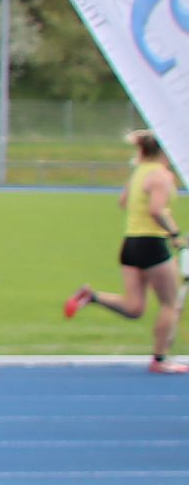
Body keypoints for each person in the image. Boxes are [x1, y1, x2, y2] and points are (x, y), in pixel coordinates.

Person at [65, 131, 185, 372]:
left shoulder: (139, 173)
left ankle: (92, 296)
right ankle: (160, 360)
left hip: (130, 244)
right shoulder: (161, 175)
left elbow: (124, 201)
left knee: (134, 307)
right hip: (152, 244)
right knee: (170, 304)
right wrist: (174, 234)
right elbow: (156, 210)